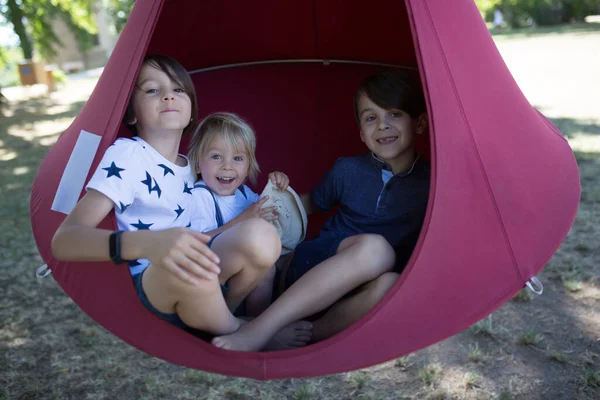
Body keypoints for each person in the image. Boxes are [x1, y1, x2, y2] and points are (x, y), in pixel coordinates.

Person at [51, 55, 291, 339]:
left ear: (191, 110)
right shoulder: (129, 154)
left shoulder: (193, 166)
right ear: (131, 114)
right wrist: (151, 243)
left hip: (206, 275)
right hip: (159, 281)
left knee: (262, 235)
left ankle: (228, 318)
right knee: (185, 265)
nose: (168, 96)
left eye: (178, 90)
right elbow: (65, 240)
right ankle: (252, 332)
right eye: (153, 90)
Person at [212, 69, 430, 351]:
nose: (382, 125)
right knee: (377, 249)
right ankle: (260, 328)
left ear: (421, 123)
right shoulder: (348, 170)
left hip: (355, 294)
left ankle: (302, 335)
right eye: (371, 118)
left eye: (395, 114)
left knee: (391, 284)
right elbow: (307, 205)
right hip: (310, 266)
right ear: (362, 134)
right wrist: (273, 202)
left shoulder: (432, 183)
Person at [187, 112, 291, 317]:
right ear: (198, 164)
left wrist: (276, 190)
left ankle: (268, 318)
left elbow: (269, 219)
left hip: (245, 278)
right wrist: (241, 220)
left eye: (238, 158)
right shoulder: (199, 197)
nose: (228, 166)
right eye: (216, 156)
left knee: (285, 258)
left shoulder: (245, 194)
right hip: (214, 281)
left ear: (248, 166)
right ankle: (245, 322)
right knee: (266, 267)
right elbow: (193, 243)